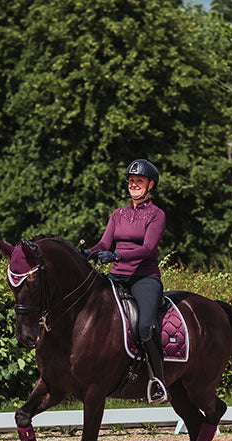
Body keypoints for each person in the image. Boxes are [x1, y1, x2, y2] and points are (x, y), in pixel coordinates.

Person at [87, 159, 168, 404]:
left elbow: (148, 248)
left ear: (150, 185)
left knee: (145, 326)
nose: (134, 184)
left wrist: (117, 255)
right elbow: (104, 244)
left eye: (139, 181)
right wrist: (86, 254)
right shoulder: (117, 214)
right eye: (131, 181)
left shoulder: (156, 215)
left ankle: (158, 382)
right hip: (116, 276)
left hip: (144, 278)